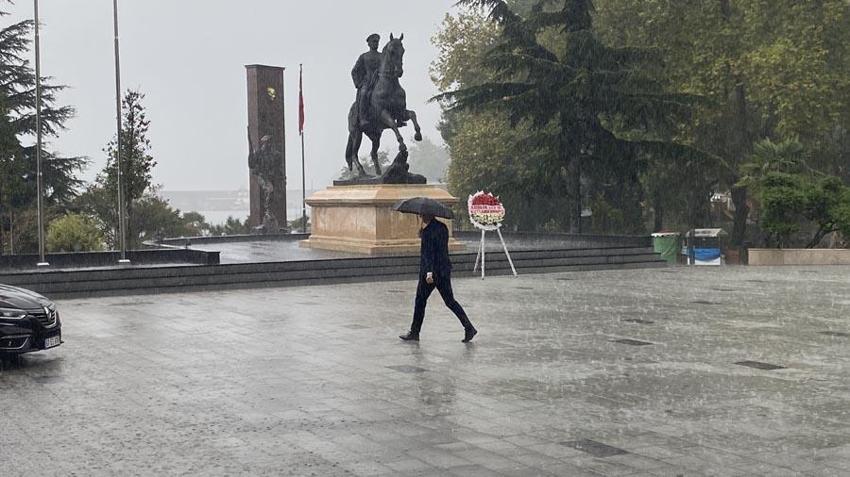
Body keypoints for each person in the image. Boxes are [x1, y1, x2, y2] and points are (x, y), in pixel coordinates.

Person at [400, 214, 477, 343]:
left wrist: (429, 272)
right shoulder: (443, 227)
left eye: (422, 215)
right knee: (450, 301)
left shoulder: (428, 232)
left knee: (420, 301)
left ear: (427, 215)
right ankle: (468, 327)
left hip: (431, 272)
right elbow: (440, 250)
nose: (421, 216)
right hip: (444, 270)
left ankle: (415, 332)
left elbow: (429, 253)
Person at [351, 33, 382, 129]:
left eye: (377, 42)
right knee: (364, 93)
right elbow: (354, 71)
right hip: (368, 82)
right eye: (373, 42)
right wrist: (358, 84)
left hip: (380, 81)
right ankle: (362, 118)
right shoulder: (364, 57)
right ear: (369, 44)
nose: (375, 44)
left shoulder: (382, 56)